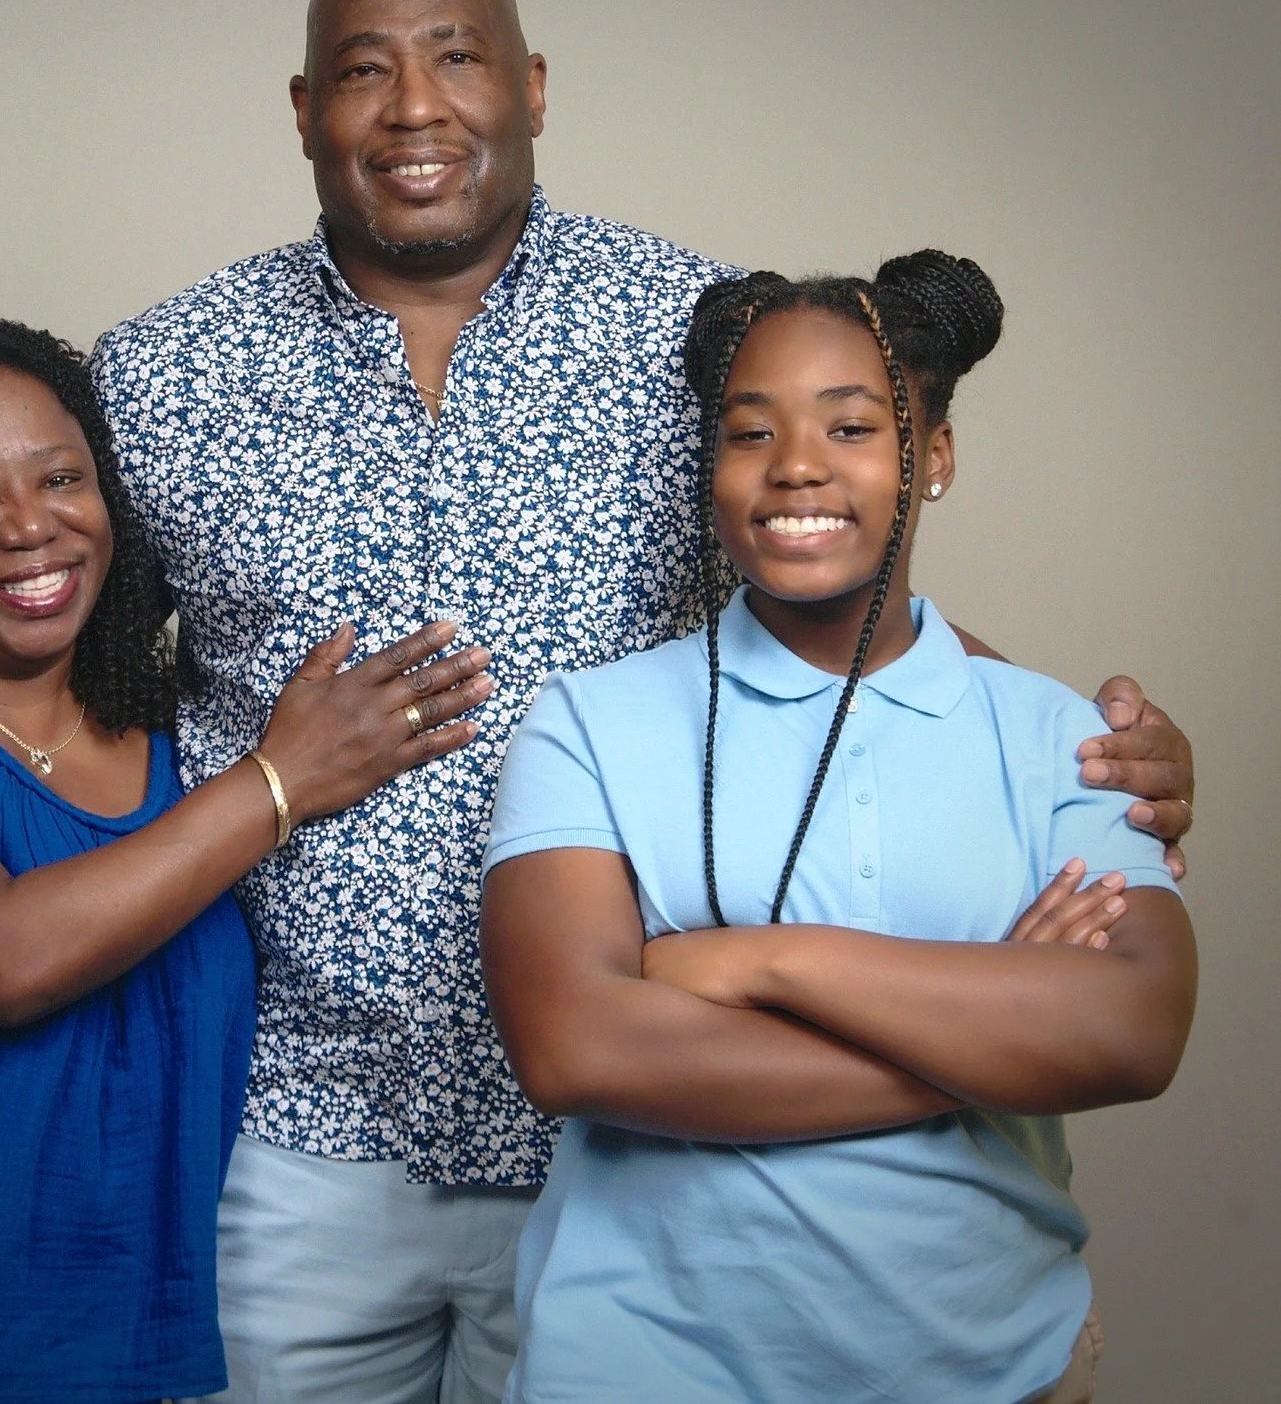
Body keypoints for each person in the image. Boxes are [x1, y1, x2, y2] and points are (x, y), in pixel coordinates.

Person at [0, 0, 1197, 1402]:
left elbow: (825, 569)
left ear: (534, 86)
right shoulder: (163, 370)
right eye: (363, 71)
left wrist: (1054, 732)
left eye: (458, 58)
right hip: (286, 1123)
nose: (415, 108)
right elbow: (12, 650)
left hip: (638, 1141)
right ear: (304, 111)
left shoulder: (697, 330)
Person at [0, 320, 492, 1404]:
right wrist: (282, 780)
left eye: (62, 479)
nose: (30, 528)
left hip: (108, 1367)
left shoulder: (173, 744)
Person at [480, 253, 1197, 1402]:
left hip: (992, 1371)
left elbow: (1132, 1032)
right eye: (749, 434)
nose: (796, 466)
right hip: (644, 1369)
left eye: (852, 427)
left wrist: (759, 962)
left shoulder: (1055, 732)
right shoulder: (590, 724)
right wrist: (988, 1024)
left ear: (936, 458)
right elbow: (576, 1047)